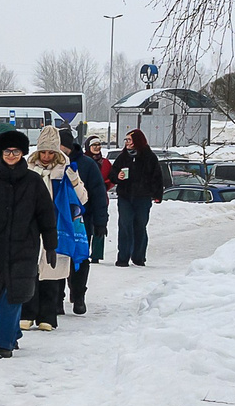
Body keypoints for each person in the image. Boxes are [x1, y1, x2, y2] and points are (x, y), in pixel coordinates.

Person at [0, 129, 56, 359]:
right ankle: (14, 331)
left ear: (22, 153)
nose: (10, 155)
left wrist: (50, 245)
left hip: (24, 247)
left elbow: (46, 215)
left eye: (15, 151)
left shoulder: (34, 181)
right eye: (7, 151)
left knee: (13, 293)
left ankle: (5, 344)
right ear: (0, 153)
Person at [27, 126, 89, 331]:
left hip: (57, 227)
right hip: (32, 228)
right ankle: (28, 313)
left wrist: (74, 179)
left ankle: (48, 315)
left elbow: (82, 199)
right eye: (43, 152)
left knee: (52, 274)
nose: (46, 156)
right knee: (30, 272)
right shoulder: (28, 170)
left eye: (50, 152)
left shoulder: (65, 173)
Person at [112, 127, 167, 266]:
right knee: (125, 225)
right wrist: (117, 176)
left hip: (142, 197)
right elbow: (113, 173)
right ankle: (123, 258)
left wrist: (157, 195)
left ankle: (138, 257)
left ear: (137, 141)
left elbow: (157, 177)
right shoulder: (123, 157)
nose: (127, 143)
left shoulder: (149, 157)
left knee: (140, 225)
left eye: (129, 140)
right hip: (125, 196)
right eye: (126, 140)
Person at [79, 137, 112, 308]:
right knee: (85, 230)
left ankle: (96, 254)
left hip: (100, 198)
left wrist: (105, 184)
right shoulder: (84, 161)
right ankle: (85, 251)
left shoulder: (105, 163)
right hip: (84, 202)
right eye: (94, 145)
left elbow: (112, 177)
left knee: (99, 229)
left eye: (99, 145)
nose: (97, 148)